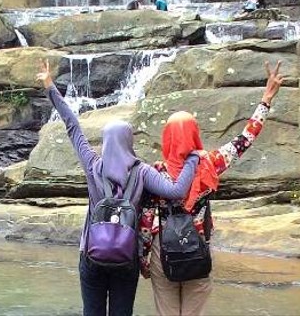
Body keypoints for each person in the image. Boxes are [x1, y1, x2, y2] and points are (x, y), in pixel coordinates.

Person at [36, 59, 200, 316]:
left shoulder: (93, 165)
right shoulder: (142, 171)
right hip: (126, 257)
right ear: (129, 142)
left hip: (91, 254)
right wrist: (192, 158)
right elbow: (178, 191)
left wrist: (50, 86)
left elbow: (72, 126)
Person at [138, 61, 285, 316]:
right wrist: (266, 98)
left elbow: (146, 219)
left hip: (164, 250)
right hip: (197, 246)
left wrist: (144, 259)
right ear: (194, 134)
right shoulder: (210, 164)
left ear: (167, 138)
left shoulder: (155, 173)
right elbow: (244, 140)